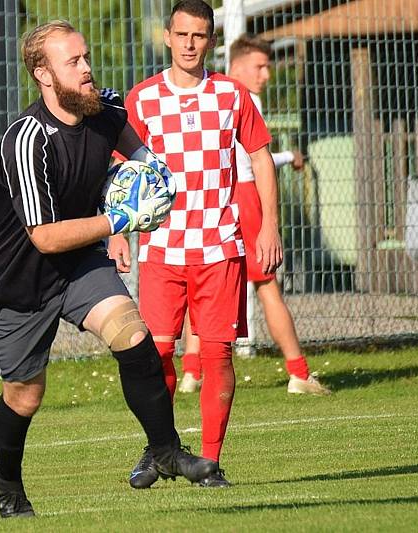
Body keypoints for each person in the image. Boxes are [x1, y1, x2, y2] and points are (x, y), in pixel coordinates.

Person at [0, 20, 218, 519]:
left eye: (86, 57)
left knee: (134, 336)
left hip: (81, 266)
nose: (87, 69)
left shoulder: (103, 105)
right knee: (25, 396)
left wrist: (147, 172)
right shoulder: (27, 139)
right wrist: (119, 220)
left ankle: (165, 450)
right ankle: (7, 481)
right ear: (43, 75)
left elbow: (132, 144)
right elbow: (43, 236)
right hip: (19, 280)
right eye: (73, 62)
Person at [109, 0, 277, 488]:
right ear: (167, 36)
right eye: (181, 35)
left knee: (217, 355)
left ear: (210, 40)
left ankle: (209, 461)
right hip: (161, 250)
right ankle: (158, 449)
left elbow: (262, 159)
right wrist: (117, 232)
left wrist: (267, 228)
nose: (189, 44)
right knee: (155, 356)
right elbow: (121, 170)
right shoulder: (141, 99)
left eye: (199, 36)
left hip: (219, 247)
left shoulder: (231, 95)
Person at [178, 34, 331, 396]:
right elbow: (251, 160)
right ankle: (299, 373)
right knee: (267, 287)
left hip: (207, 197)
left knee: (198, 287)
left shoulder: (208, 93)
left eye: (267, 67)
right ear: (238, 64)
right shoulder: (243, 98)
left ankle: (190, 372)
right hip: (242, 196)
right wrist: (287, 158)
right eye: (259, 66)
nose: (265, 75)